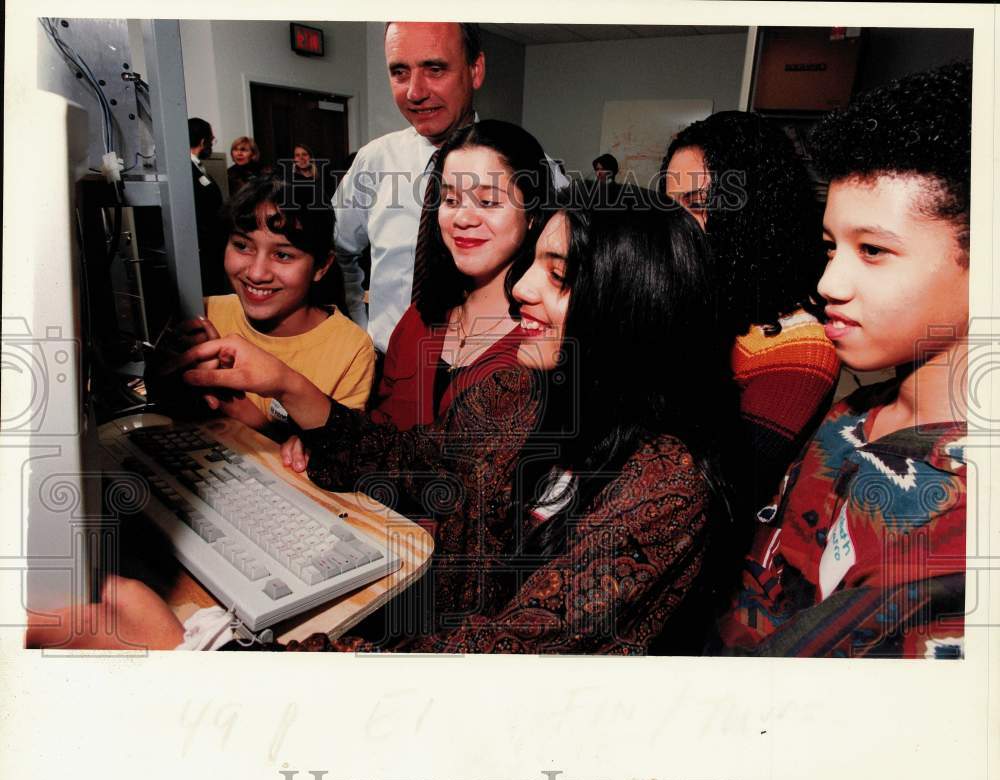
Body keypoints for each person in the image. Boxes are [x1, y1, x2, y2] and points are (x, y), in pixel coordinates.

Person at [29, 198, 741, 655]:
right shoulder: (523, 388)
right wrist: (286, 384)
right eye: (535, 266)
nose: (522, 287)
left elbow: (510, 654)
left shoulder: (667, 485)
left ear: (628, 312)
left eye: (558, 276)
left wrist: (227, 657)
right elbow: (411, 460)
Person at [715, 62, 970, 658]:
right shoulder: (852, 415)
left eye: (873, 250)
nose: (830, 281)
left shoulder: (963, 514)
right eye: (832, 247)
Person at [333, 22, 568, 358]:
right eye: (400, 72)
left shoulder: (532, 166)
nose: (415, 91)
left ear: (475, 70)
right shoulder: (374, 162)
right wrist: (358, 326)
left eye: (435, 68)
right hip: (383, 363)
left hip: (486, 369)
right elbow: (339, 251)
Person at [662, 111, 841, 511]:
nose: (675, 225)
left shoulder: (800, 349)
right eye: (669, 205)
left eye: (699, 204)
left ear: (755, 212)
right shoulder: (698, 291)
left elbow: (717, 492)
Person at [369, 120, 549, 432]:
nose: (463, 218)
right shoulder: (418, 318)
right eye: (451, 200)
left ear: (532, 214)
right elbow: (380, 428)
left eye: (488, 201)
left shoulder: (542, 342)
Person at [175, 175, 373, 435]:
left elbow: (340, 453)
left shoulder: (351, 350)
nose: (257, 273)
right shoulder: (204, 314)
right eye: (242, 246)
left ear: (321, 266)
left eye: (282, 255)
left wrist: (239, 409)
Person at [188, 117, 228, 295]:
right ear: (203, 141)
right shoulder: (186, 169)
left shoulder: (197, 167)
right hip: (203, 250)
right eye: (211, 140)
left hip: (210, 248)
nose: (212, 145)